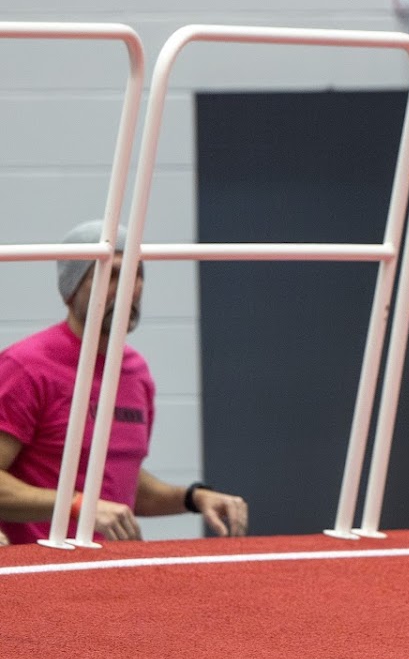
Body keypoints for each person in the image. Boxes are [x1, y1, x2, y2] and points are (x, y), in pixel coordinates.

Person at [0, 220, 249, 545]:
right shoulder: (25, 367)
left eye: (135, 273)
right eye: (111, 274)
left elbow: (120, 484)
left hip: (114, 566)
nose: (127, 287)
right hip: (46, 567)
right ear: (71, 289)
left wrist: (193, 497)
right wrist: (77, 505)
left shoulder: (136, 371)